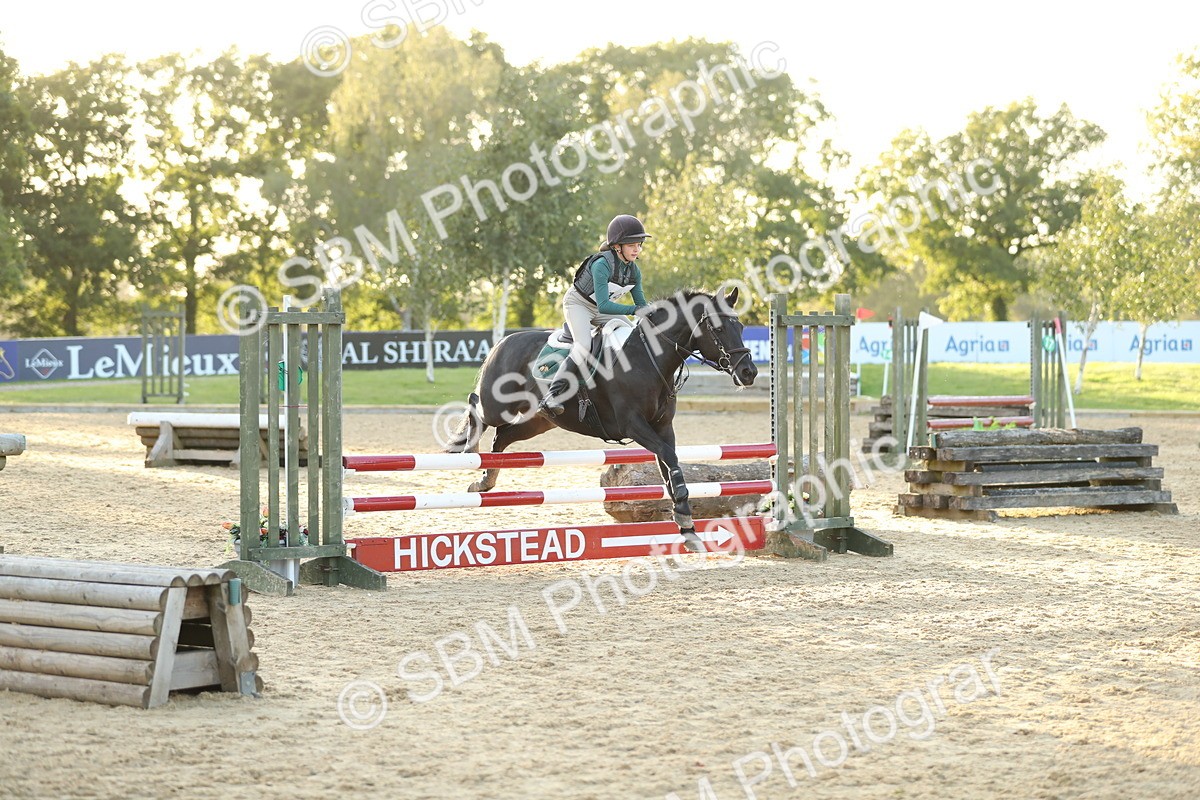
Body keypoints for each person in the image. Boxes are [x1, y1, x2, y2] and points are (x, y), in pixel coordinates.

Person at [537, 214, 652, 418]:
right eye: (632, 244)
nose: (637, 249)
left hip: (602, 310)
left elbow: (641, 305)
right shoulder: (602, 265)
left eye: (639, 244)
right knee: (583, 345)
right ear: (617, 246)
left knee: (632, 336)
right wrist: (634, 310)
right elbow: (605, 305)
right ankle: (551, 396)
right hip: (578, 305)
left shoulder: (634, 271)